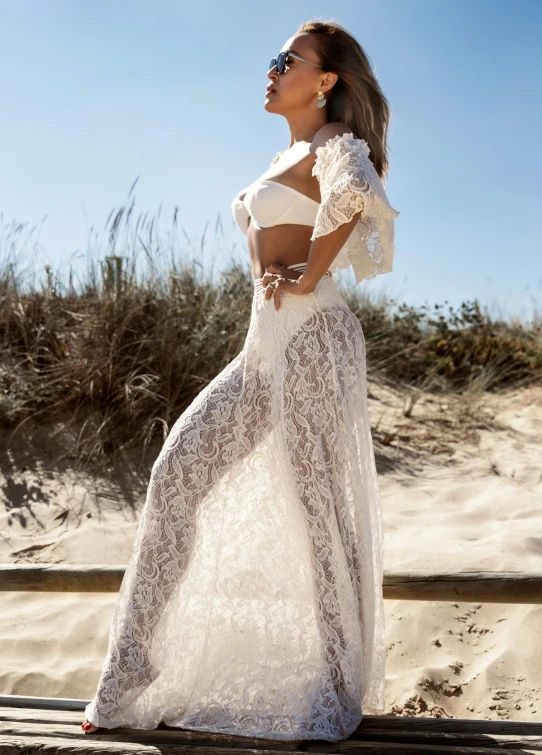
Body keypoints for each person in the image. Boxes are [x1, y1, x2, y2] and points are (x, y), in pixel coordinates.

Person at [82, 18, 399, 743]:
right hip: (268, 347)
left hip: (314, 339)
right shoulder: (286, 152)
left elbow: (353, 196)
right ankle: (127, 674)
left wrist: (310, 272)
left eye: (287, 59)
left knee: (320, 506)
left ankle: (337, 677)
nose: (272, 67)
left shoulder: (330, 145)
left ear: (325, 82)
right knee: (177, 470)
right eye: (272, 57)